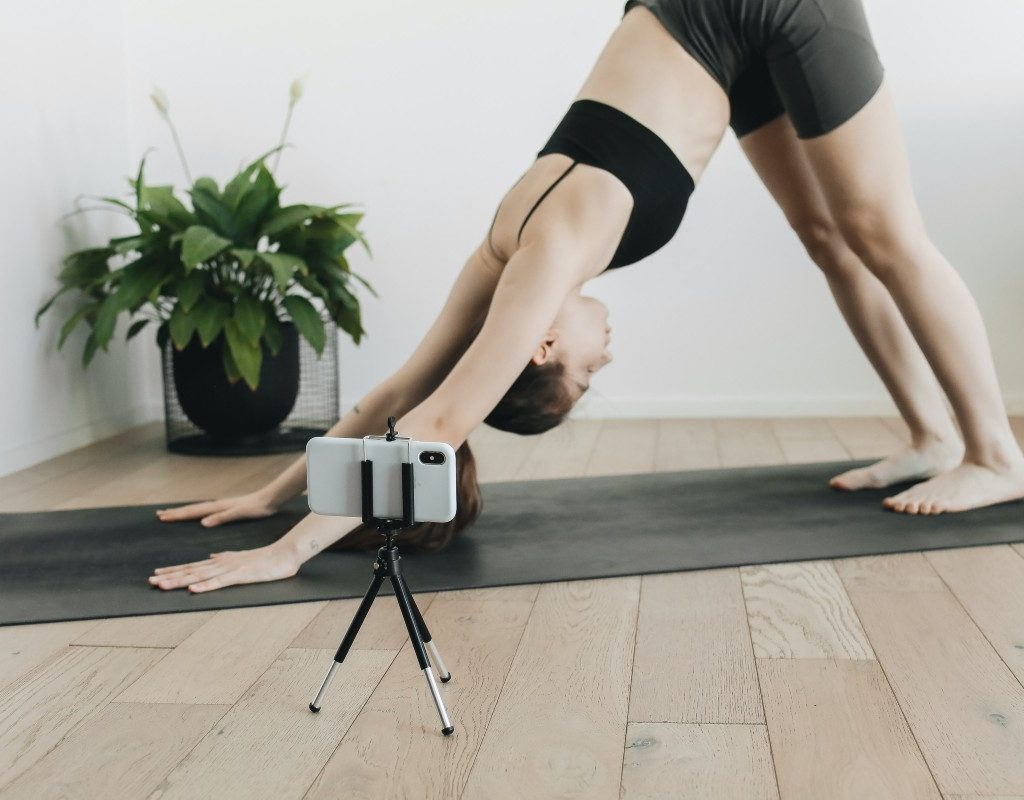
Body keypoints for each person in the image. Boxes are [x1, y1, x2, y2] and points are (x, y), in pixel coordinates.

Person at [150, 0, 1024, 594]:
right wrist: (275, 489)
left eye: (585, 373)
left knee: (884, 233)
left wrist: (286, 547)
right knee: (830, 237)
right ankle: (931, 435)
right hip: (705, 29)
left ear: (540, 346)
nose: (607, 354)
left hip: (759, 8)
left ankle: (995, 454)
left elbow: (437, 421)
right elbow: (395, 395)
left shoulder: (548, 258)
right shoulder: (505, 244)